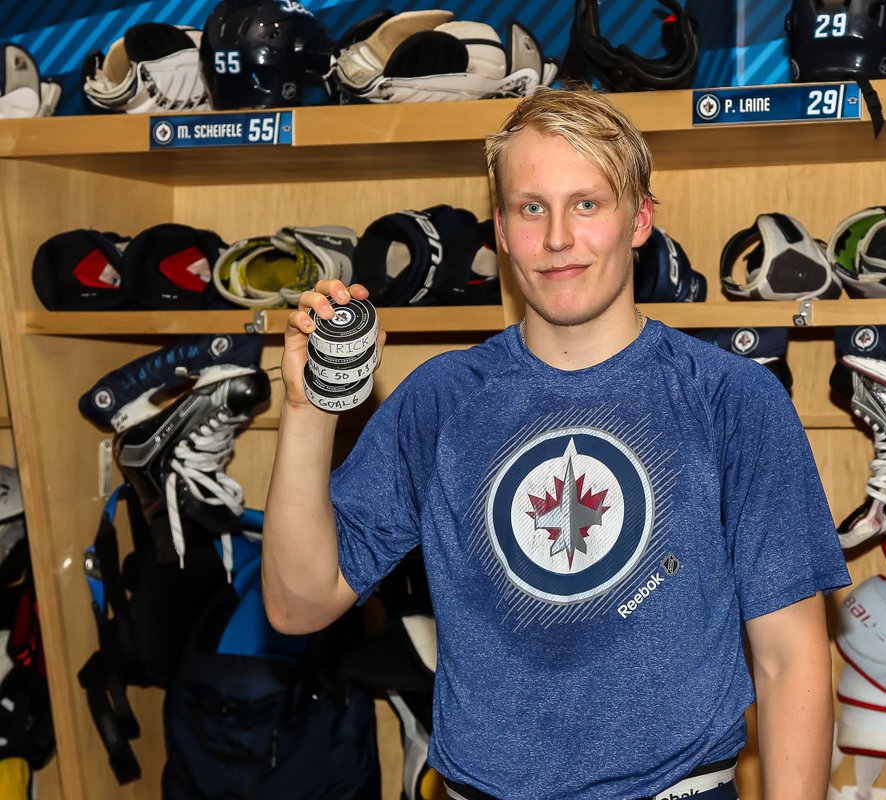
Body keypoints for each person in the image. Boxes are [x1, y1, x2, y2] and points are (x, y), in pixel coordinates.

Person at [263, 88, 849, 800]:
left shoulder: (731, 399)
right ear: (502, 230)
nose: (558, 238)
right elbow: (299, 604)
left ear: (640, 219)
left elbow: (791, 661)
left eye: (588, 204)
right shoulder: (442, 399)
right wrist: (307, 409)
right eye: (531, 207)